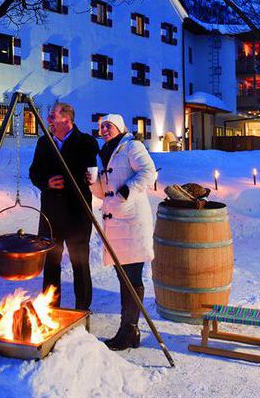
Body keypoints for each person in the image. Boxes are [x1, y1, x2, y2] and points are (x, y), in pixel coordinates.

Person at [89, 113, 156, 351]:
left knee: (131, 276)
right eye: (101, 127)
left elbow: (148, 172)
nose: (104, 130)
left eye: (108, 125)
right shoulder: (106, 152)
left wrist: (127, 191)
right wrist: (93, 182)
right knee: (123, 275)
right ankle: (130, 331)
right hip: (116, 222)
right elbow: (102, 193)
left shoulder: (131, 146)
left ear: (119, 127)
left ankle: (128, 330)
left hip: (132, 221)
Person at [29, 102, 99, 310]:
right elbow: (34, 173)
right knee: (51, 263)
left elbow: (94, 169)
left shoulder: (86, 142)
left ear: (66, 119)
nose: (48, 119)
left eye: (52, 115)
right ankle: (50, 308)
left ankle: (82, 310)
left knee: (80, 263)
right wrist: (46, 182)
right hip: (51, 214)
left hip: (77, 214)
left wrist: (91, 177)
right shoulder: (44, 142)